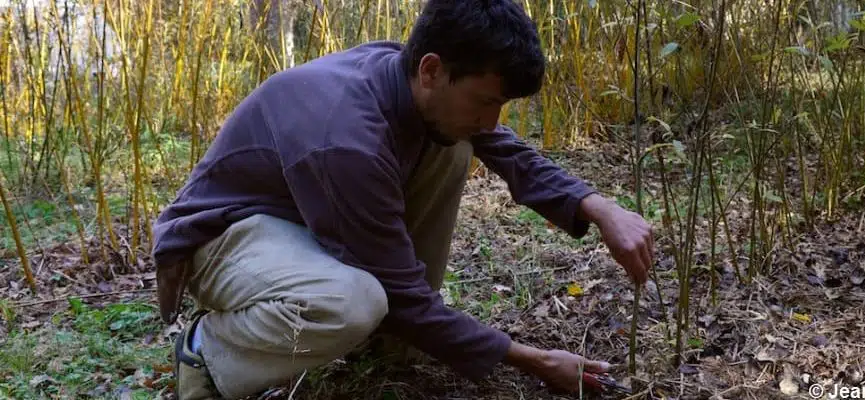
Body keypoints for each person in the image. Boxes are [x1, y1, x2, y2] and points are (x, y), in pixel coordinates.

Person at [151, 1, 654, 399]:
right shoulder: (346, 137)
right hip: (222, 239)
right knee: (352, 303)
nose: (492, 119)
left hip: (303, 220)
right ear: (433, 69)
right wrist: (537, 360)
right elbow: (404, 297)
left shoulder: (406, 74)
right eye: (485, 101)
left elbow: (506, 150)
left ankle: (394, 345)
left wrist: (599, 207)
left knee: (456, 145)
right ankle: (207, 353)